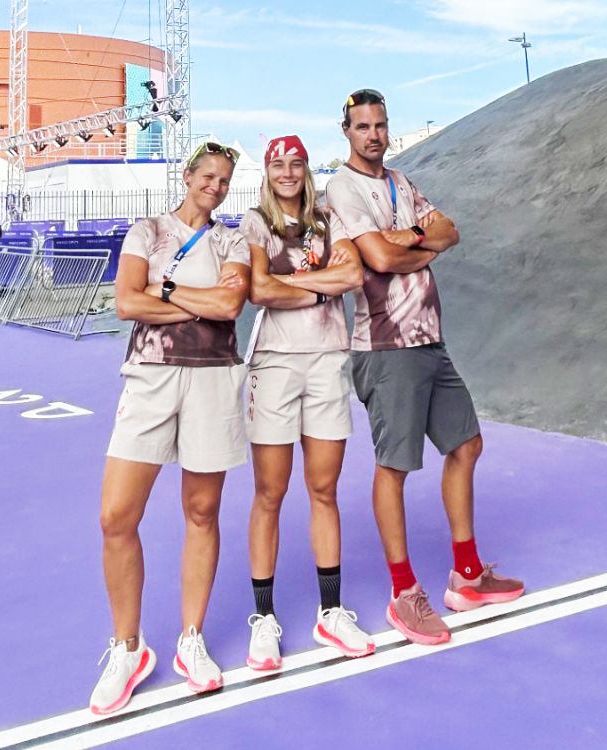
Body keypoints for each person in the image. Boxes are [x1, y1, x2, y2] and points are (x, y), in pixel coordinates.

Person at [324, 89, 524, 647]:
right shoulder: (343, 188)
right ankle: (403, 592)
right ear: (347, 131)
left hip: (430, 341)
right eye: (362, 126)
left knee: (466, 446)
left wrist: (411, 238)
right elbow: (381, 261)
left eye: (380, 125)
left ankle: (466, 575)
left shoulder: (401, 183)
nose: (374, 135)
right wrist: (416, 244)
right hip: (387, 348)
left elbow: (450, 230)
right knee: (395, 467)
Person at [89, 142, 250, 716]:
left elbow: (231, 306)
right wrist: (191, 300)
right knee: (116, 517)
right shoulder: (147, 230)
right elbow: (126, 304)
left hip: (213, 382)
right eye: (207, 174)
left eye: (225, 179)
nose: (215, 184)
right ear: (187, 176)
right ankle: (128, 649)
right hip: (151, 380)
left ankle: (191, 640)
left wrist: (165, 293)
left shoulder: (232, 239)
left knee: (202, 513)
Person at [238, 135, 373, 671]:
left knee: (324, 488)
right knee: (269, 492)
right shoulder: (254, 223)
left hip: (327, 360)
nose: (288, 173)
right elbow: (260, 291)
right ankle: (264, 617)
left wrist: (292, 280)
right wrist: (320, 288)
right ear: (268, 172)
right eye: (279, 165)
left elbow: (354, 274)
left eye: (296, 164)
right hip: (274, 363)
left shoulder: (328, 217)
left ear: (306, 168)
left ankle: (331, 612)